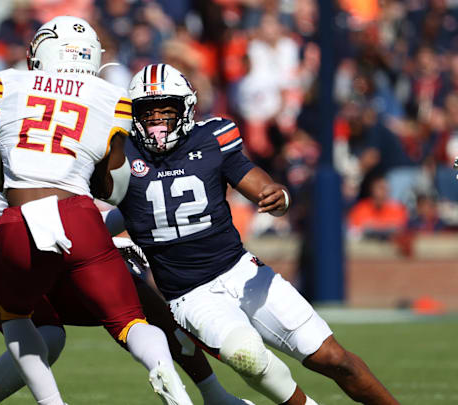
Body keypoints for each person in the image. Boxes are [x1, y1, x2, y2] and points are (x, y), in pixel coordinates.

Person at [0, 17, 193, 405]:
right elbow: (116, 186)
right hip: (77, 215)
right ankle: (166, 373)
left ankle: (51, 402)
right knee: (130, 321)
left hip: (20, 221)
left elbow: (11, 174)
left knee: (16, 318)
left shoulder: (4, 84)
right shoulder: (112, 97)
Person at [113, 63, 399, 405]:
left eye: (166, 110)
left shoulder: (211, 137)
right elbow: (100, 206)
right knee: (247, 354)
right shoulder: (121, 153)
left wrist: (278, 197)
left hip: (241, 271)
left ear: (185, 108)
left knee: (334, 359)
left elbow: (254, 180)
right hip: (191, 295)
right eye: (149, 111)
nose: (158, 120)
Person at [0, 191, 253, 405]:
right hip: (9, 261)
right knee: (50, 335)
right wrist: (98, 237)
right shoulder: (36, 155)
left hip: (68, 261)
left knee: (142, 302)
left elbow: (116, 208)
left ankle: (213, 393)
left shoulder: (107, 153)